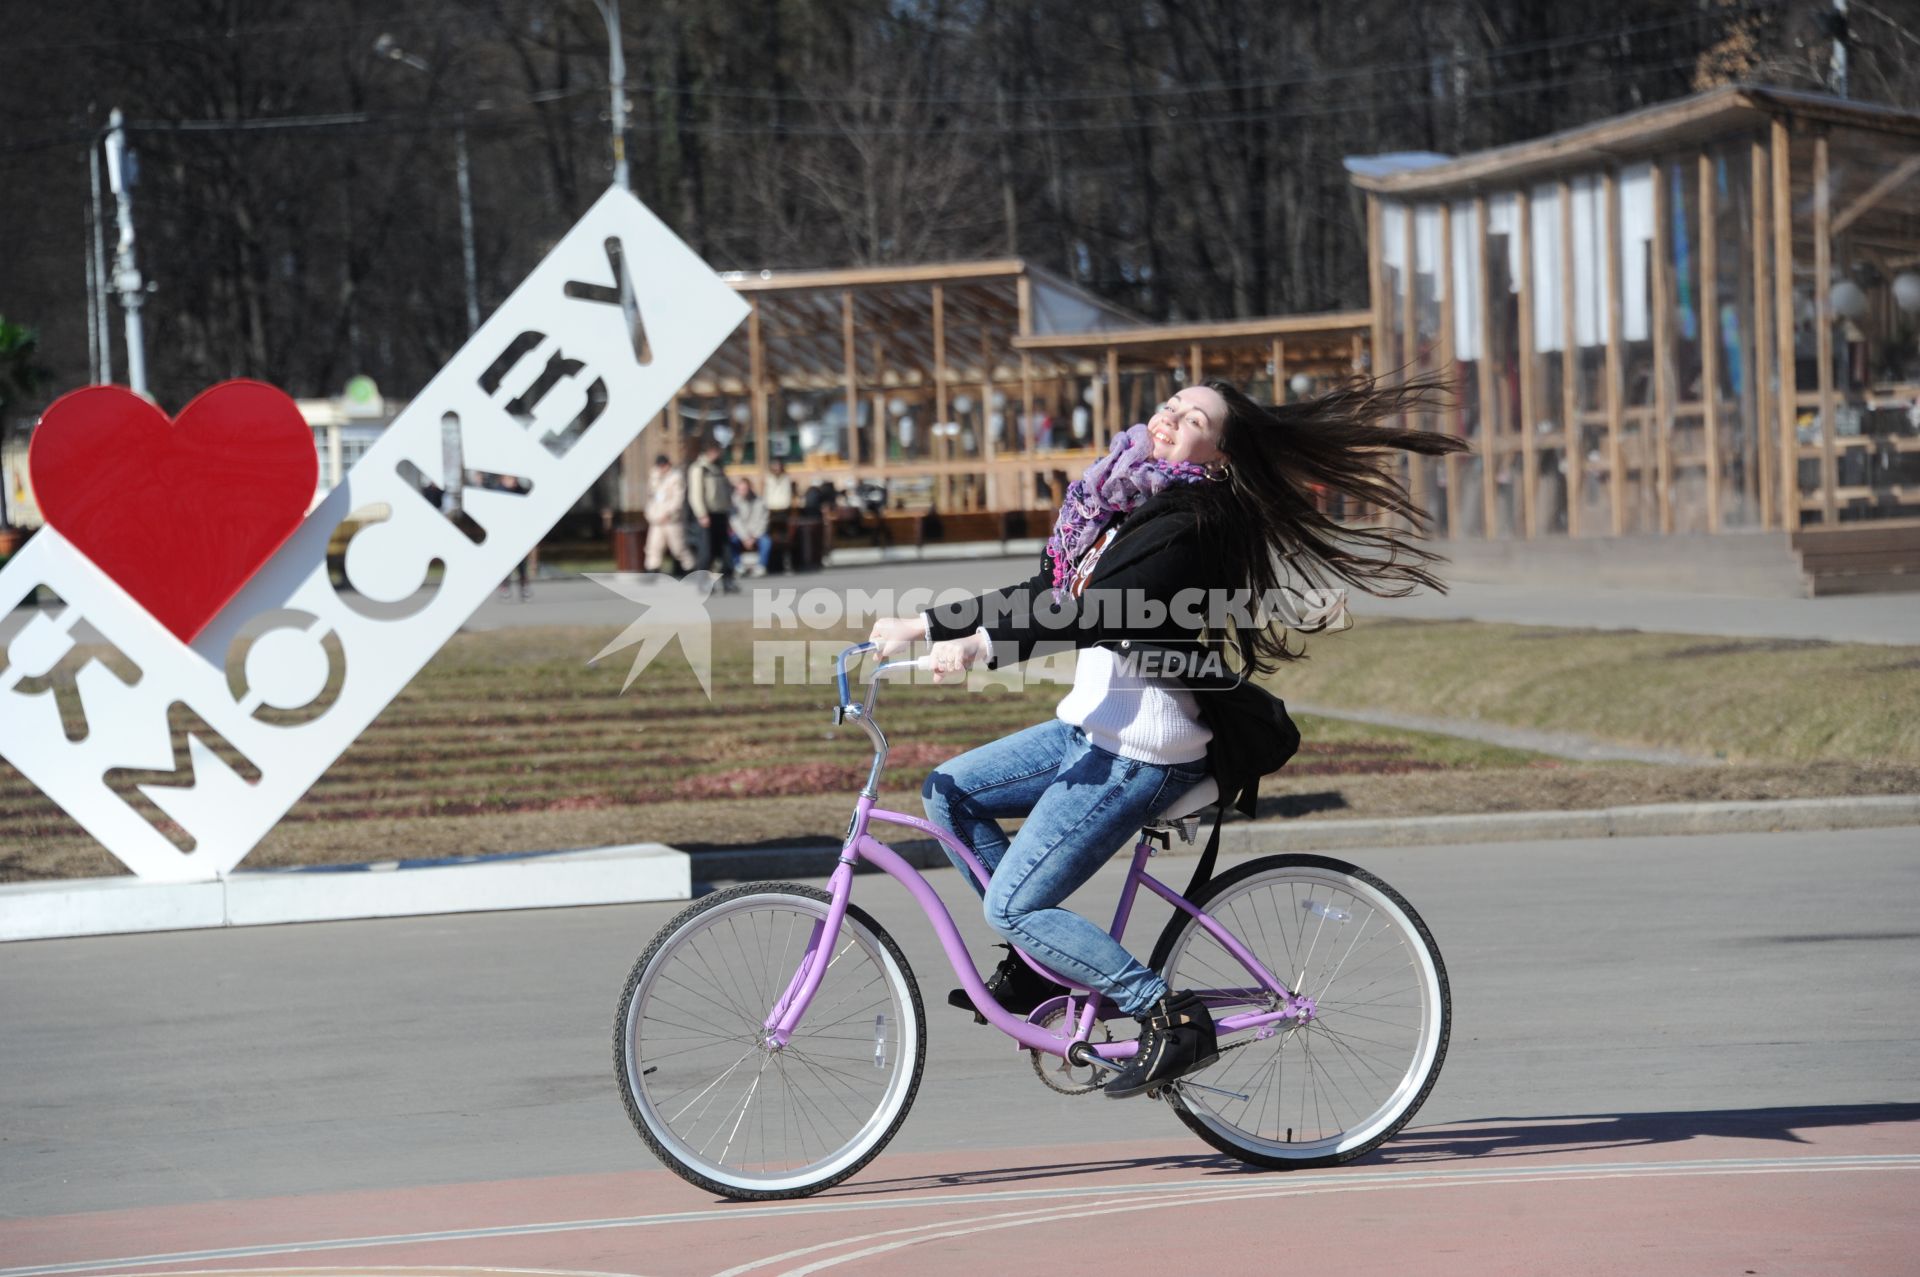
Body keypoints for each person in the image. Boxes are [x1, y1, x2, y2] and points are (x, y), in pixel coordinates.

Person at [868, 378, 1466, 1099]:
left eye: (1193, 420)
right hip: (1088, 728)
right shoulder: (1126, 497)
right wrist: (926, 627)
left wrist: (982, 648)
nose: (1169, 420)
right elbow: (1048, 591)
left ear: (1218, 456)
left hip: (1140, 750)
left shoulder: (1194, 518)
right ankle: (1041, 964)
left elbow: (1095, 611)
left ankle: (1166, 1014)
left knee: (1014, 902)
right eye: (1171, 406)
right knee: (949, 792)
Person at [687, 441, 740, 594]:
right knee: (706, 552)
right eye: (716, 451)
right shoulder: (699, 468)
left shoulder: (719, 468)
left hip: (721, 513)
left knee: (726, 550)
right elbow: (695, 494)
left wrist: (729, 511)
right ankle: (703, 583)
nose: (718, 454)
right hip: (706, 515)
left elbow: (726, 492)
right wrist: (701, 514)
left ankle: (728, 580)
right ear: (709, 451)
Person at [643, 454, 690, 574]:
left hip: (671, 519)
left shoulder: (676, 477)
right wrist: (650, 514)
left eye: (664, 465)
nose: (662, 468)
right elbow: (651, 497)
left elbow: (678, 498)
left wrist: (669, 513)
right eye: (660, 465)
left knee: (678, 548)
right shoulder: (654, 476)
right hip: (657, 519)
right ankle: (652, 570)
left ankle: (688, 569)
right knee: (653, 547)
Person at [729, 476, 771, 576]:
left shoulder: (760, 501)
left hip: (756, 534)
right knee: (731, 541)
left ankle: (761, 566)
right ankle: (738, 566)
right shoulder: (733, 503)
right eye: (740, 489)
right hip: (741, 534)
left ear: (750, 488)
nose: (743, 492)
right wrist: (745, 537)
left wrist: (754, 536)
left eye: (745, 489)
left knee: (766, 541)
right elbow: (735, 522)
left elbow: (763, 521)